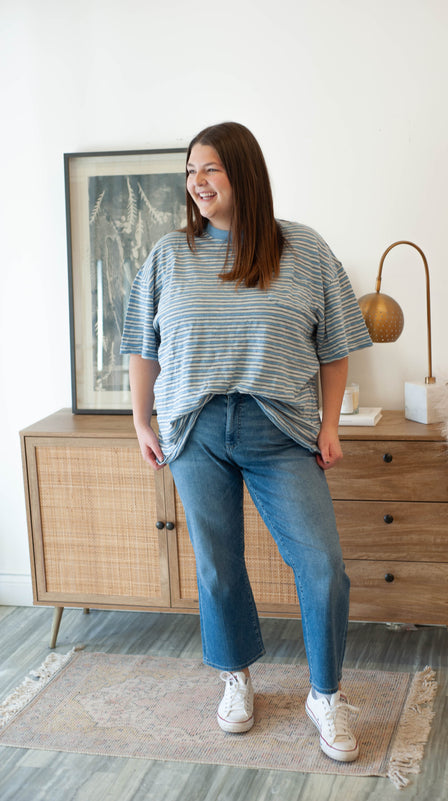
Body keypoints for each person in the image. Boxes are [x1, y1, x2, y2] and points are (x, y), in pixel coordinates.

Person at [120, 121, 372, 762]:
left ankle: (326, 694)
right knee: (217, 566)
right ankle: (237, 678)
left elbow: (336, 346)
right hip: (194, 429)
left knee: (322, 567)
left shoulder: (306, 251)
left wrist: (331, 424)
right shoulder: (169, 254)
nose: (196, 183)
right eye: (189, 173)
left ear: (243, 173)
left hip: (279, 429)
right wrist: (141, 420)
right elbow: (143, 346)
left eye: (209, 169)